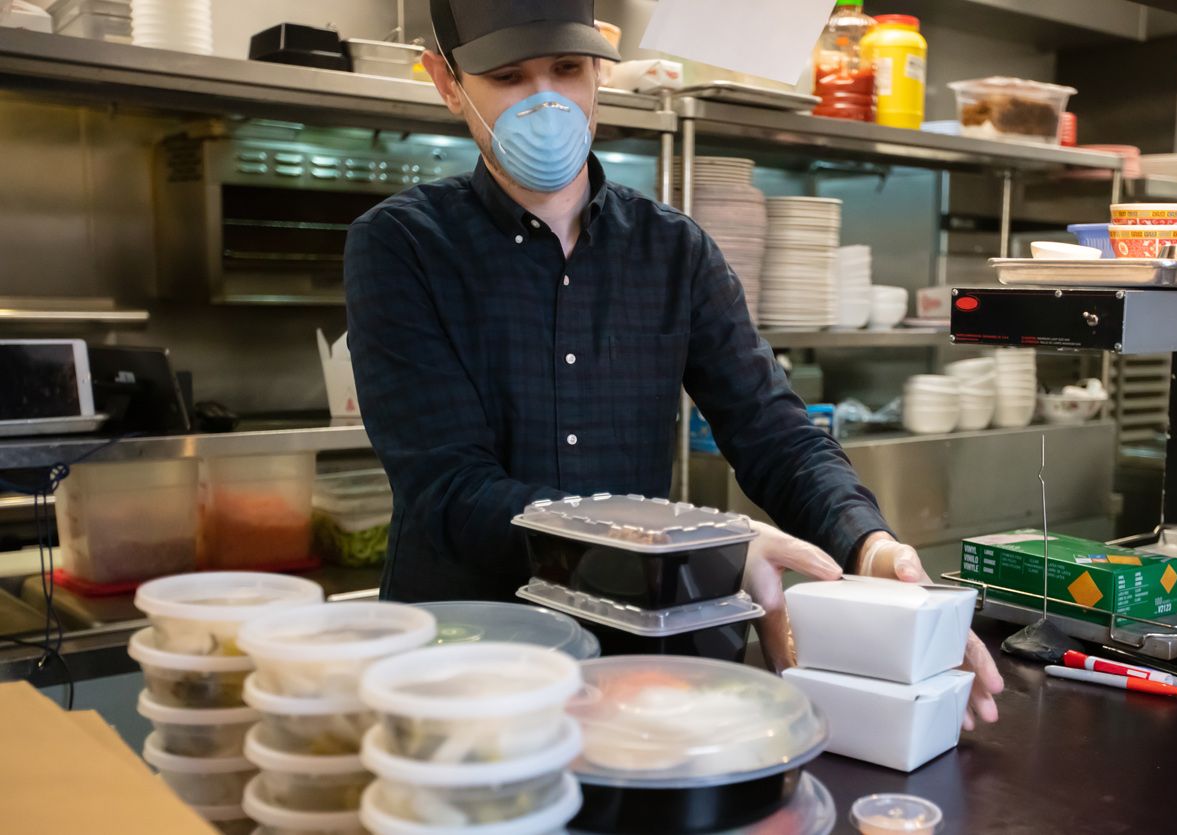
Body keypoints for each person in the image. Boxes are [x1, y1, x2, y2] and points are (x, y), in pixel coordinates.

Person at [343, 0, 1002, 730]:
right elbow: (452, 490)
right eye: (508, 77)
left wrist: (869, 548)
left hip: (637, 674)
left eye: (567, 68)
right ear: (446, 82)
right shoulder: (403, 246)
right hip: (463, 667)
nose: (547, 101)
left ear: (599, 68)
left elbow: (774, 433)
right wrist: (699, 549)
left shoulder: (672, 251)